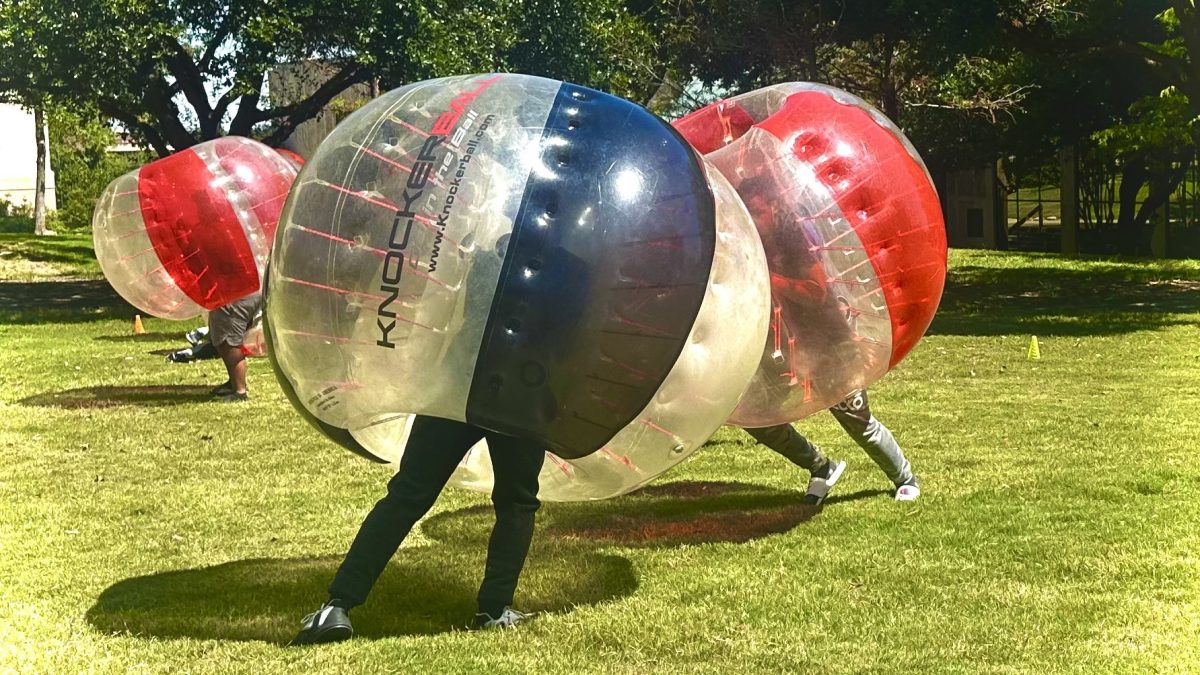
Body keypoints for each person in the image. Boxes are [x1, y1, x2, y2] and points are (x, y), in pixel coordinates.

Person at [290, 415, 546, 645]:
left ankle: (337, 606)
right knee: (516, 503)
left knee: (407, 495)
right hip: (522, 390)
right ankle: (494, 609)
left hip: (458, 388)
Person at [744, 389, 920, 504]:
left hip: (831, 354)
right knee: (757, 420)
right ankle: (821, 468)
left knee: (859, 424)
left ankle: (905, 479)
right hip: (780, 356)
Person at [207, 291, 262, 402]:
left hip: (235, 294)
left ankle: (240, 391)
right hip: (242, 292)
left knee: (229, 343)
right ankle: (233, 383)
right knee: (226, 340)